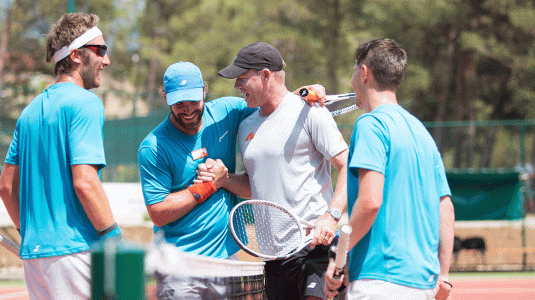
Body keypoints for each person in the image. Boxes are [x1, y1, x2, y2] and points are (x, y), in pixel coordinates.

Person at [137, 61, 324, 299]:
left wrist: (303, 93)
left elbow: (273, 104)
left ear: (204, 91)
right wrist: (207, 186)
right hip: (179, 265)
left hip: (227, 261)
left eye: (193, 101)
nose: (187, 109)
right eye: (178, 103)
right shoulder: (153, 147)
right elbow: (158, 212)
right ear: (165, 98)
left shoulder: (226, 111)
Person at [0, 13, 121, 300]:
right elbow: (85, 182)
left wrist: (30, 233)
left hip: (35, 255)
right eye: (100, 50)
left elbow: (6, 188)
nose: (106, 60)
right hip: (76, 250)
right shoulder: (86, 103)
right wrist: (116, 240)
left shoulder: (29, 113)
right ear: (76, 55)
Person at [323, 38, 455, 300]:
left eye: (353, 70)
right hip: (424, 283)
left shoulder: (370, 125)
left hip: (379, 281)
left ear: (364, 73)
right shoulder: (422, 134)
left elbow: (370, 201)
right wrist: (444, 275)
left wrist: (338, 256)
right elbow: (446, 208)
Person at [217, 42, 349, 300]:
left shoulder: (310, 111)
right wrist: (226, 180)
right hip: (275, 258)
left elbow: (348, 165)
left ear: (266, 75)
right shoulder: (246, 127)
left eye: (243, 79)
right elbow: (256, 185)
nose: (236, 87)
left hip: (315, 249)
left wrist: (331, 216)